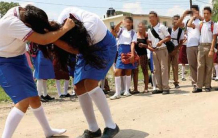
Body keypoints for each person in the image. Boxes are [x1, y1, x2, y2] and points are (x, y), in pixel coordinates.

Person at [0, 5, 74, 138]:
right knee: (23, 101)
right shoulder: (11, 22)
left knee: (34, 98)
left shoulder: (23, 11)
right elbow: (44, 39)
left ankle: (48, 130)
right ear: (27, 24)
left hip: (19, 58)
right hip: (4, 62)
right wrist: (65, 28)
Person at [54, 7, 119, 138]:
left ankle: (111, 125)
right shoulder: (64, 18)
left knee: (90, 83)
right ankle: (93, 129)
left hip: (103, 47)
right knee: (78, 87)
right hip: (86, 48)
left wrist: (54, 39)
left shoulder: (91, 24)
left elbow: (76, 49)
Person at [188, 7, 217, 92]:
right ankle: (199, 86)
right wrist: (194, 16)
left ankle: (207, 85)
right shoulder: (200, 23)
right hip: (201, 46)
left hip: (209, 46)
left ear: (211, 14)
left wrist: (212, 50)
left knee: (208, 67)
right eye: (204, 13)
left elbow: (214, 38)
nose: (206, 15)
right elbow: (189, 25)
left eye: (207, 13)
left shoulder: (213, 24)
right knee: (200, 66)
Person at [110, 17, 137, 100]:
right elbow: (113, 31)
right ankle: (117, 92)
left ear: (132, 23)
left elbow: (132, 44)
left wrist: (132, 54)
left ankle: (126, 91)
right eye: (126, 22)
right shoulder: (121, 30)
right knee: (117, 71)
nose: (128, 23)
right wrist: (120, 22)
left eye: (129, 22)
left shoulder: (133, 32)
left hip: (128, 50)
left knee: (128, 71)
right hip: (120, 51)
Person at [177, 5, 203, 89]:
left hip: (198, 45)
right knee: (192, 65)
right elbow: (178, 24)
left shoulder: (200, 21)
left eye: (194, 11)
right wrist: (184, 15)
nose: (192, 13)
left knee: (200, 65)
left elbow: (206, 21)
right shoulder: (188, 20)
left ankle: (200, 82)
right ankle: (194, 82)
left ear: (198, 11)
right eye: (191, 12)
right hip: (189, 46)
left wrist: (198, 16)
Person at [147, 11, 171, 95]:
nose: (151, 19)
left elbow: (168, 37)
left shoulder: (162, 27)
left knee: (164, 69)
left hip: (162, 49)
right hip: (154, 51)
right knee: (156, 69)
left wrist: (161, 41)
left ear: (156, 17)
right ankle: (159, 87)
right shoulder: (150, 29)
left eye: (152, 17)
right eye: (149, 17)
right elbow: (149, 40)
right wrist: (149, 45)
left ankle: (166, 87)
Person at [133, 22, 153, 93]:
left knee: (145, 71)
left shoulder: (146, 36)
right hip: (136, 55)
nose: (140, 28)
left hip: (143, 55)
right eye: (139, 27)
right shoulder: (134, 35)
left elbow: (150, 46)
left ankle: (146, 88)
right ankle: (135, 89)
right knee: (135, 72)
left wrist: (145, 46)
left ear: (144, 28)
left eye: (142, 27)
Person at [168, 15, 185, 88]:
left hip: (176, 49)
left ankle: (176, 82)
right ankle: (166, 82)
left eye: (177, 19)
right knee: (166, 66)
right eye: (174, 19)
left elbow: (181, 42)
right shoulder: (168, 29)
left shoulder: (181, 31)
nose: (176, 21)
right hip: (168, 49)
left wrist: (176, 50)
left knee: (175, 66)